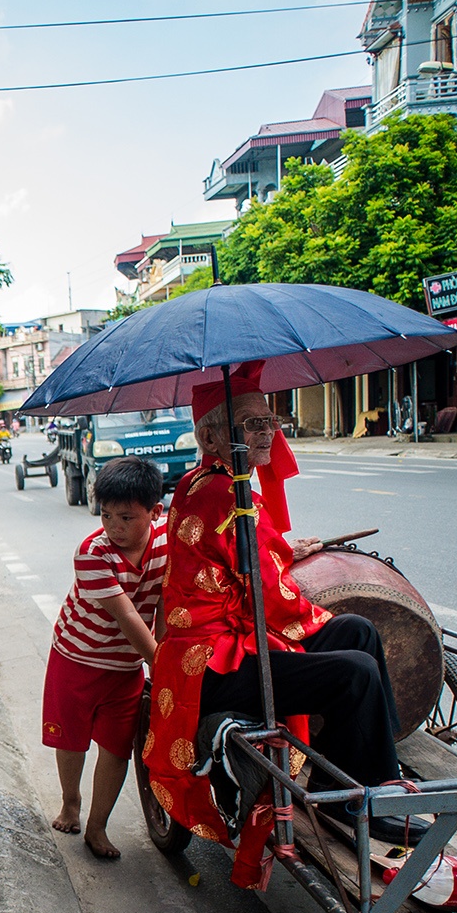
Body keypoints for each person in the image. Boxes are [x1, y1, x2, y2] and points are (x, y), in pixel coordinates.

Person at [144, 362, 406, 866]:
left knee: (359, 631)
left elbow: (248, 561)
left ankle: (353, 773)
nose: (267, 432)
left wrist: (284, 551)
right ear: (212, 436)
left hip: (226, 641)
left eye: (269, 421)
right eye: (252, 424)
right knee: (357, 670)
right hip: (212, 665)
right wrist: (302, 602)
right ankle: (364, 800)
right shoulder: (227, 493)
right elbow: (272, 595)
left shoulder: (208, 482)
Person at [42, 457, 168, 860]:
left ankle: (97, 828)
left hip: (126, 667)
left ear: (155, 512)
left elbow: (166, 603)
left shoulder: (169, 541)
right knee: (73, 740)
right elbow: (128, 615)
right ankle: (70, 803)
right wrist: (161, 666)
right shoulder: (92, 553)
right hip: (77, 657)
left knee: (116, 749)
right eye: (107, 515)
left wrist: (157, 656)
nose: (114, 526)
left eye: (127, 517)